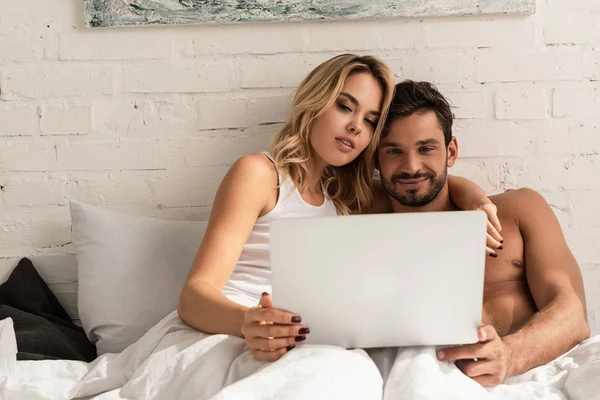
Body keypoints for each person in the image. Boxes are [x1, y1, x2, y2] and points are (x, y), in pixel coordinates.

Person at [177, 54, 502, 365]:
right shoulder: (260, 175)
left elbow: (430, 183)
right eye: (345, 107)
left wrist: (479, 203)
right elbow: (192, 298)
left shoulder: (344, 198)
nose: (356, 127)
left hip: (295, 343)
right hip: (229, 332)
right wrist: (250, 323)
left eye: (370, 121)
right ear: (314, 102)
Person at [375, 79, 590, 387]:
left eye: (426, 148)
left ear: (450, 152)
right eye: (394, 151)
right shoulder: (361, 227)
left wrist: (509, 354)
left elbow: (573, 315)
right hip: (430, 382)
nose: (411, 167)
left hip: (535, 374)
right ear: (376, 159)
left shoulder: (519, 210)